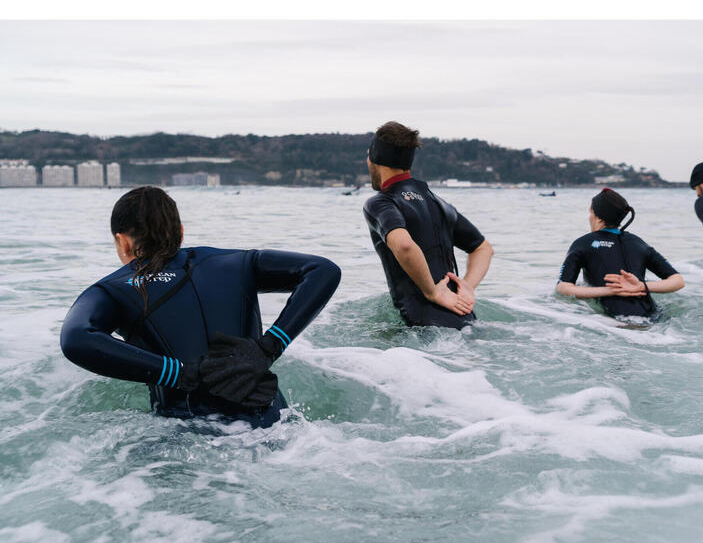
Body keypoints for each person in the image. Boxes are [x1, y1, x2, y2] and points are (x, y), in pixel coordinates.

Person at [60, 186, 341, 427]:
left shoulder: (114, 288)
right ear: (180, 232)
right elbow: (323, 270)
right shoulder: (237, 263)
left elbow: (76, 339)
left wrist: (181, 373)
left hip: (189, 434)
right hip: (271, 423)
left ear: (122, 242)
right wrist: (268, 348)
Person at [362, 121, 494, 329]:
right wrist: (466, 287)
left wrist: (433, 292)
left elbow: (404, 245)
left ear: (374, 158)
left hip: (424, 325)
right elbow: (483, 248)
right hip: (465, 318)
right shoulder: (438, 203)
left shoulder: (381, 202)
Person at [557, 188, 685, 319]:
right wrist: (641, 286)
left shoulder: (583, 243)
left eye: (591, 212)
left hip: (615, 321)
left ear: (599, 219)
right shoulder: (639, 243)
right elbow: (678, 281)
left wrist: (609, 291)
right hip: (653, 316)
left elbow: (563, 288)